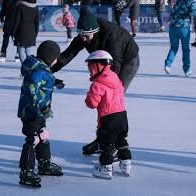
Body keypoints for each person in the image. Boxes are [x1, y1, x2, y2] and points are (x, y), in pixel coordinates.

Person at [51, 9, 139, 155]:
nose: (84, 39)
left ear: (95, 31)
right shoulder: (84, 35)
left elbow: (115, 62)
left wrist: (104, 84)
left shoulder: (110, 34)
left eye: (86, 36)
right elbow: (69, 53)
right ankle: (103, 140)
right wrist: (51, 69)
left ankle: (115, 146)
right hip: (107, 65)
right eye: (81, 36)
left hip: (127, 61)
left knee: (112, 103)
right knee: (103, 104)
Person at [18, 40, 63, 188]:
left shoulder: (41, 68)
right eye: (56, 57)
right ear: (50, 58)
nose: (57, 60)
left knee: (43, 135)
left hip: (38, 112)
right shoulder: (39, 71)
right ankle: (26, 171)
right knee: (33, 139)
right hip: (32, 112)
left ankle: (44, 163)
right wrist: (41, 107)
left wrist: (54, 81)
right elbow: (32, 89)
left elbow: (43, 79)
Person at [85, 50, 132, 178]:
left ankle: (105, 167)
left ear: (98, 66)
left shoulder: (97, 84)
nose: (90, 70)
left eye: (90, 67)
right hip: (122, 116)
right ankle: (126, 163)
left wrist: (89, 95)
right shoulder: (115, 78)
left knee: (107, 144)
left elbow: (92, 103)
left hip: (108, 118)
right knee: (121, 139)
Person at [164, 0, 196, 77]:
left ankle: (167, 65)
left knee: (174, 47)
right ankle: (187, 70)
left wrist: (170, 19)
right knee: (185, 49)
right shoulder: (191, 1)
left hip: (173, 27)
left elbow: (173, 12)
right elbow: (193, 12)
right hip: (183, 27)